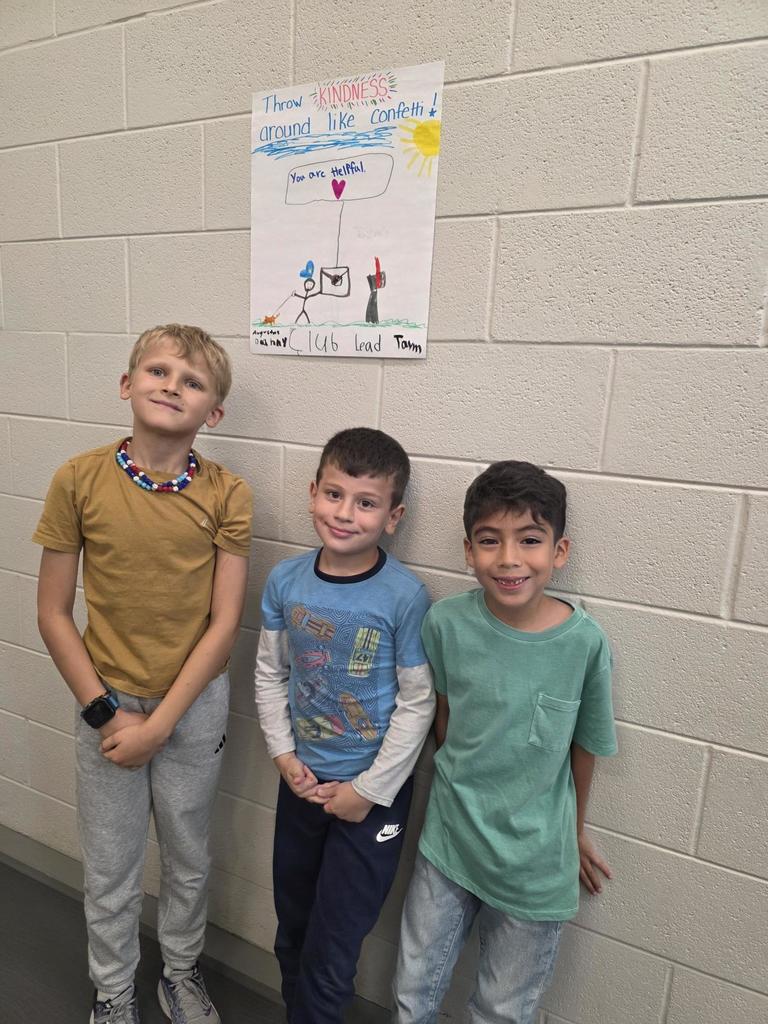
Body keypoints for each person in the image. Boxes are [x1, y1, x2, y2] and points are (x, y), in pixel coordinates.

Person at [34, 325, 252, 1024]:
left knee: (188, 854)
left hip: (191, 709)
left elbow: (223, 628)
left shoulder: (227, 493)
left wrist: (159, 725)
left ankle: (180, 975)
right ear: (127, 384)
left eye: (191, 381)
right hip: (107, 707)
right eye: (157, 371)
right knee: (111, 864)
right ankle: (114, 990)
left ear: (212, 412)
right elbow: (52, 614)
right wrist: (108, 713)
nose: (171, 386)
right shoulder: (78, 479)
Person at [392, 461, 617, 1024]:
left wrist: (574, 830)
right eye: (490, 541)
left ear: (559, 551)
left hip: (535, 863)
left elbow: (582, 749)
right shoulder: (445, 624)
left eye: (530, 540)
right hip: (448, 841)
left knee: (501, 1009)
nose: (509, 558)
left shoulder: (585, 644)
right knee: (412, 990)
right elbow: (442, 720)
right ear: (468, 551)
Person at [254, 427, 434, 1024]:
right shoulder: (286, 581)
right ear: (312, 494)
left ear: (392, 515)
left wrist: (368, 791)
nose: (345, 514)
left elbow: (417, 704)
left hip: (370, 799)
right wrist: (283, 756)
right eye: (334, 495)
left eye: (366, 502)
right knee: (293, 933)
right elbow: (269, 674)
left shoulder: (406, 596)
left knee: (333, 953)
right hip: (301, 783)